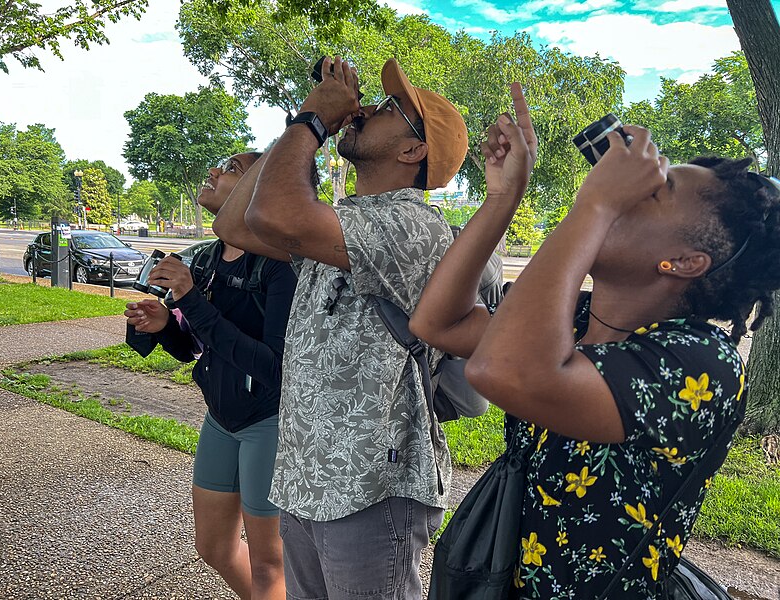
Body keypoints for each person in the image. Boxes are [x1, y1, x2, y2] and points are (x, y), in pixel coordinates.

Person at [409, 84, 780, 598]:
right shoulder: (574, 317)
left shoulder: (703, 362)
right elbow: (440, 324)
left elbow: (502, 370)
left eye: (656, 191)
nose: (623, 192)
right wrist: (502, 199)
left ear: (687, 263)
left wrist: (598, 205)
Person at [221, 56, 468, 599]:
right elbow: (235, 222)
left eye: (390, 110)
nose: (370, 109)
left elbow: (276, 216)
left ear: (413, 151)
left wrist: (311, 121)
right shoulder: (344, 219)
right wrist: (306, 123)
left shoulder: (411, 224)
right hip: (309, 475)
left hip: (370, 486)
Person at [124, 152, 296, 600]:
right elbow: (196, 348)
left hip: (269, 423)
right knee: (214, 547)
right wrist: (164, 326)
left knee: (269, 565)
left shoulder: (278, 266)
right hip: (220, 418)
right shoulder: (205, 260)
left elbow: (273, 368)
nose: (214, 170)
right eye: (217, 162)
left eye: (231, 167)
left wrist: (190, 299)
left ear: (257, 188)